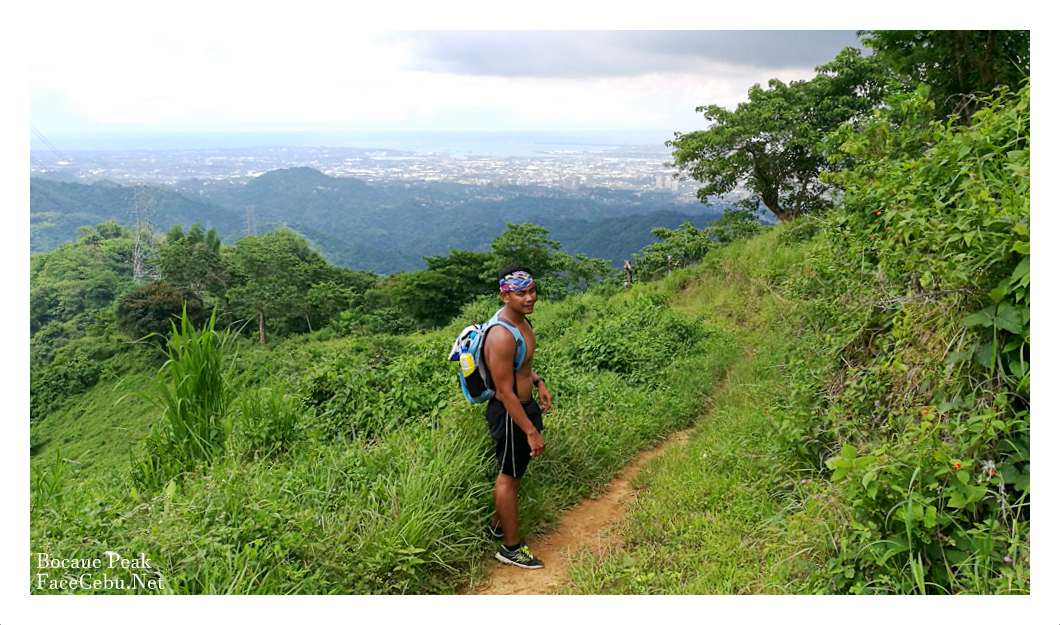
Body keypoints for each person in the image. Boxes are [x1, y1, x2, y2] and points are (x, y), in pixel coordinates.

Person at [483, 265, 552, 569]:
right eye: (521, 293)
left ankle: (498, 526)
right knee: (508, 478)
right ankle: (510, 547)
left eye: (532, 290)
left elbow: (521, 364)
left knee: (516, 471)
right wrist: (530, 431)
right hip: (511, 413)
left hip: (523, 407)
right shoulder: (500, 335)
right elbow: (504, 392)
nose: (529, 298)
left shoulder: (522, 322)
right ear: (505, 295)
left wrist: (538, 382)